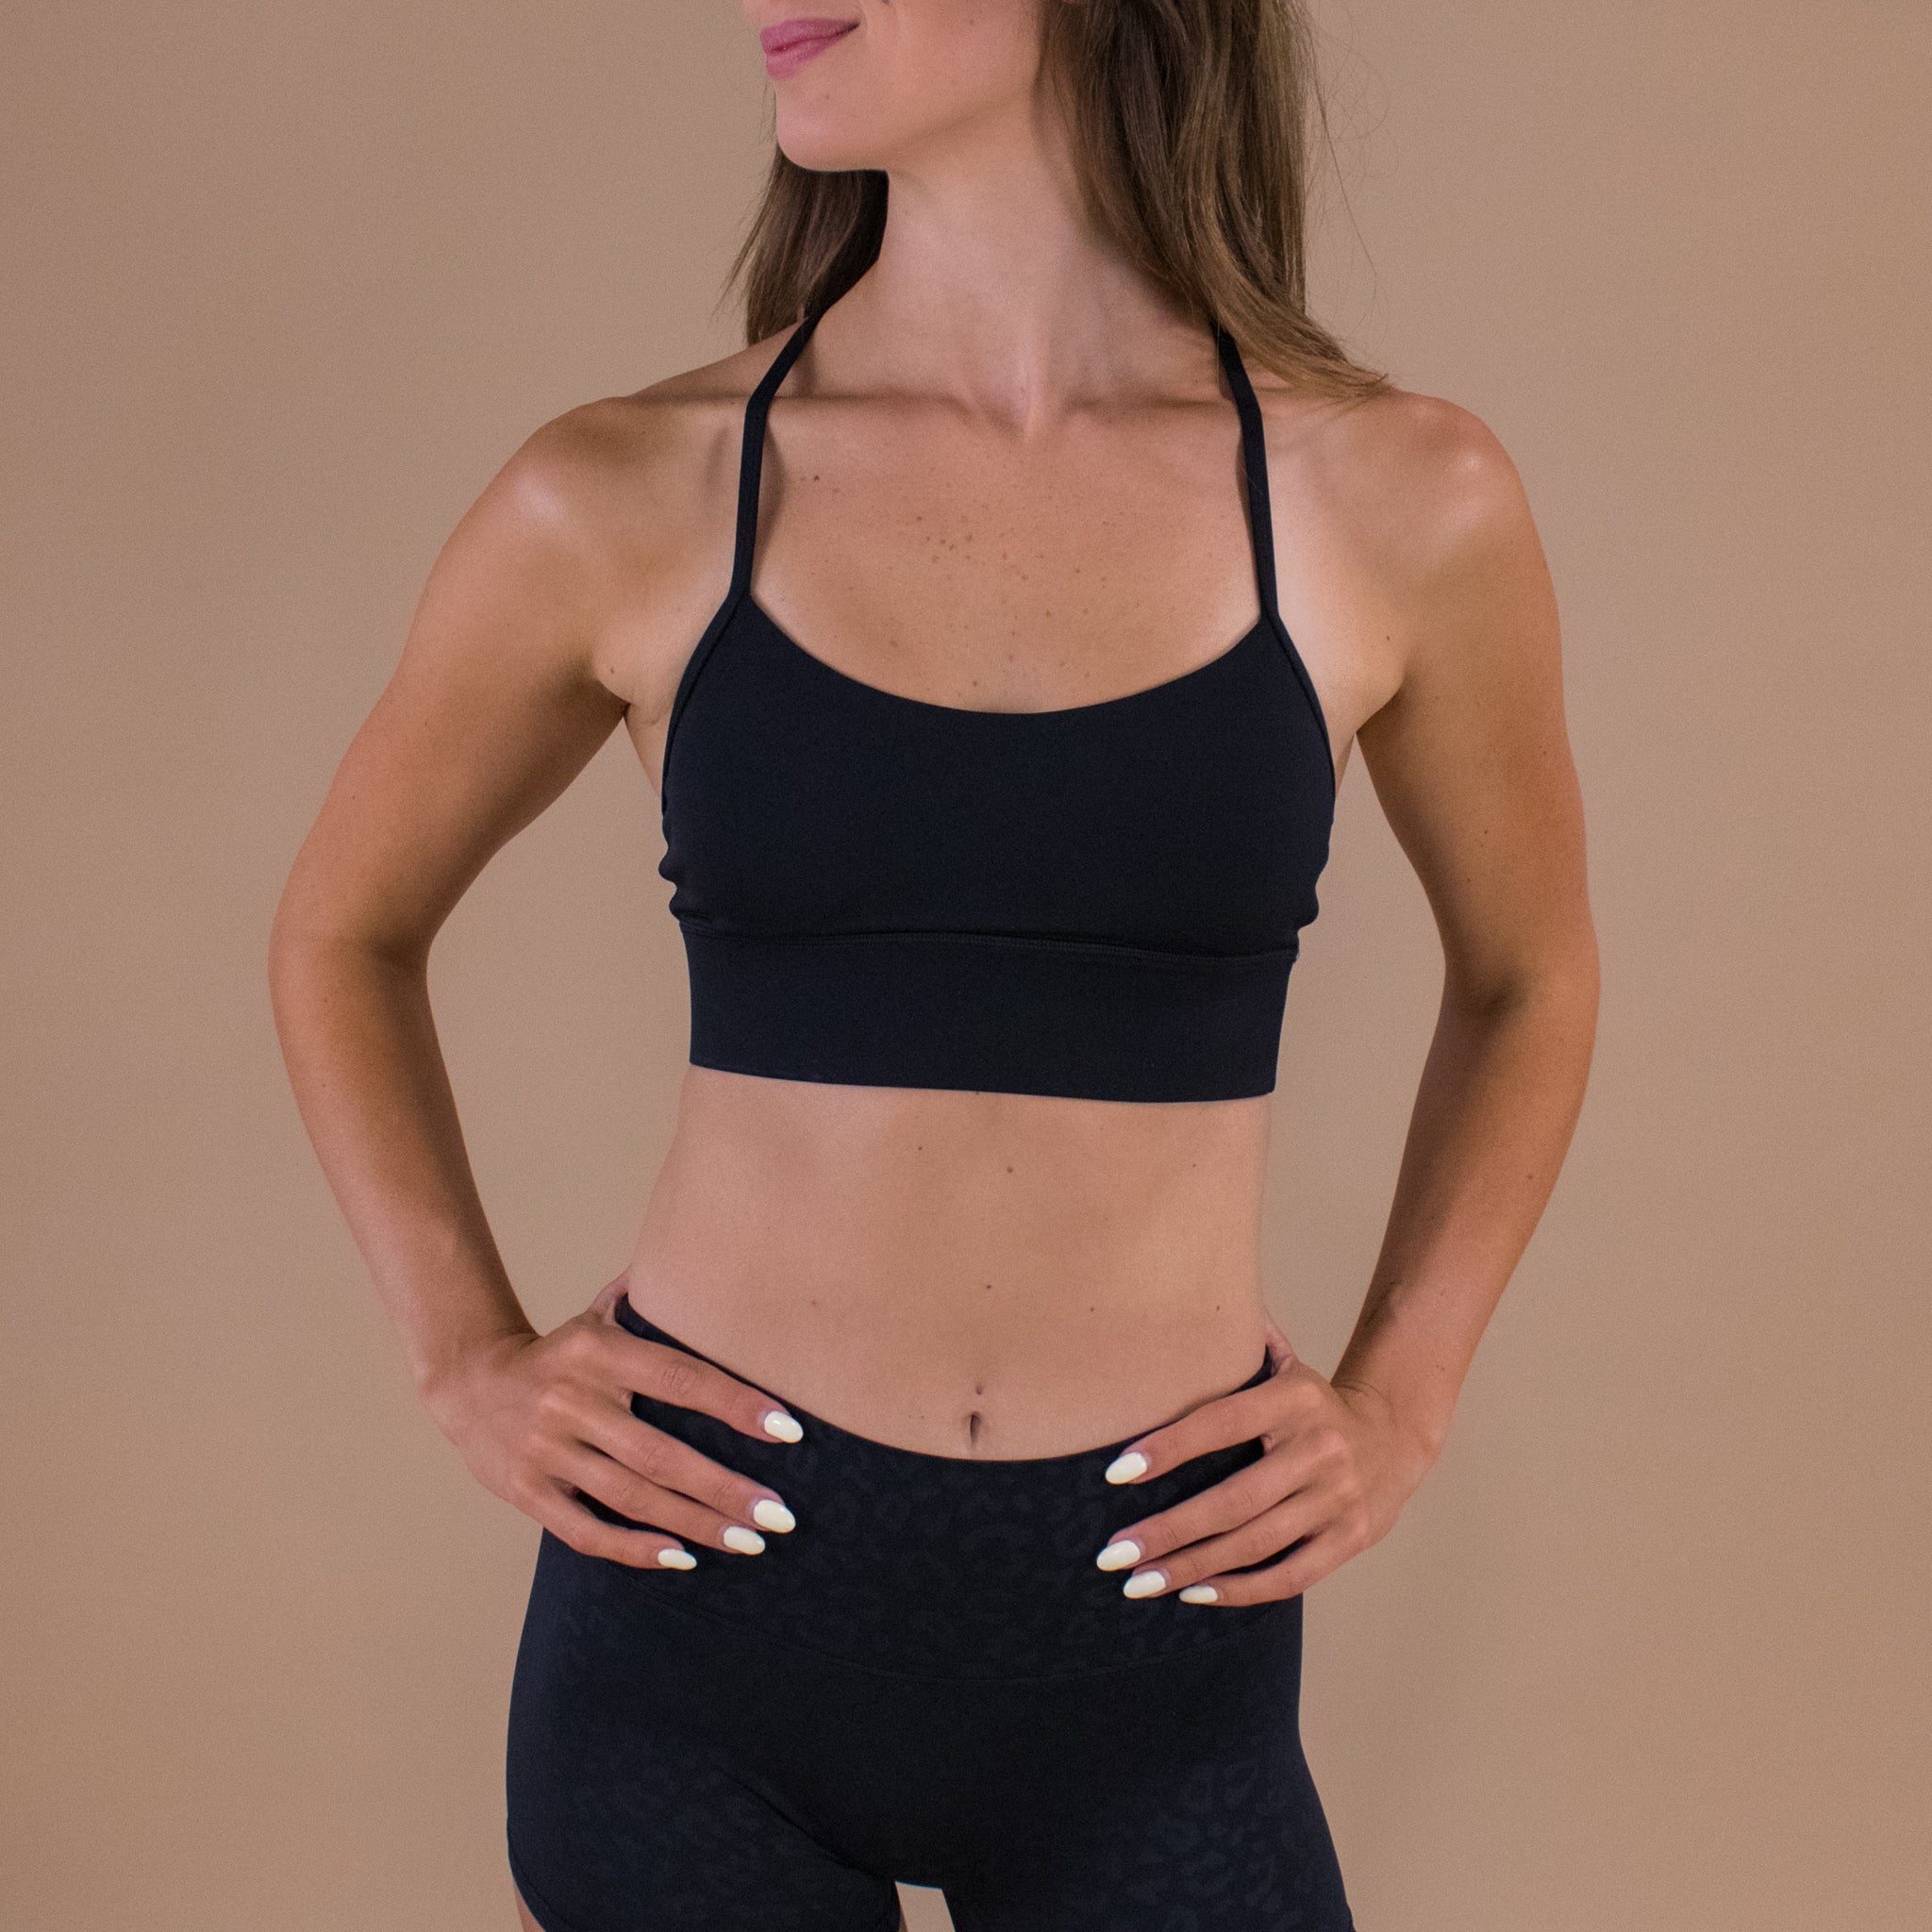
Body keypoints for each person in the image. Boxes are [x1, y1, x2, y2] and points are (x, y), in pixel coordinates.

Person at [270, 3, 1599, 1927]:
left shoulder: (1395, 497)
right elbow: (344, 926)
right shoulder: (630, 487)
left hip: (1155, 1644)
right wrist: (462, 1352)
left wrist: (1403, 1397)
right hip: (695, 1634)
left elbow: (1530, 975)